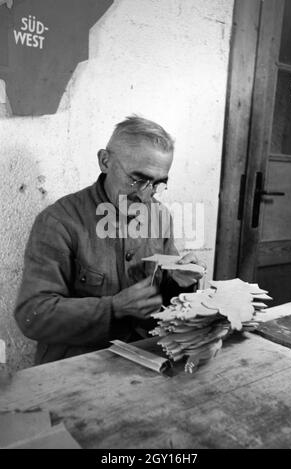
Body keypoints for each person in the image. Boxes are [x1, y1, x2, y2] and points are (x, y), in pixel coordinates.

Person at [14, 115, 206, 364]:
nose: (146, 196)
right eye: (137, 179)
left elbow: (165, 302)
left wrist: (180, 282)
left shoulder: (159, 216)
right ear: (105, 161)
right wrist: (112, 308)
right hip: (77, 364)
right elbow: (33, 315)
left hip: (148, 356)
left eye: (158, 184)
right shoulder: (59, 222)